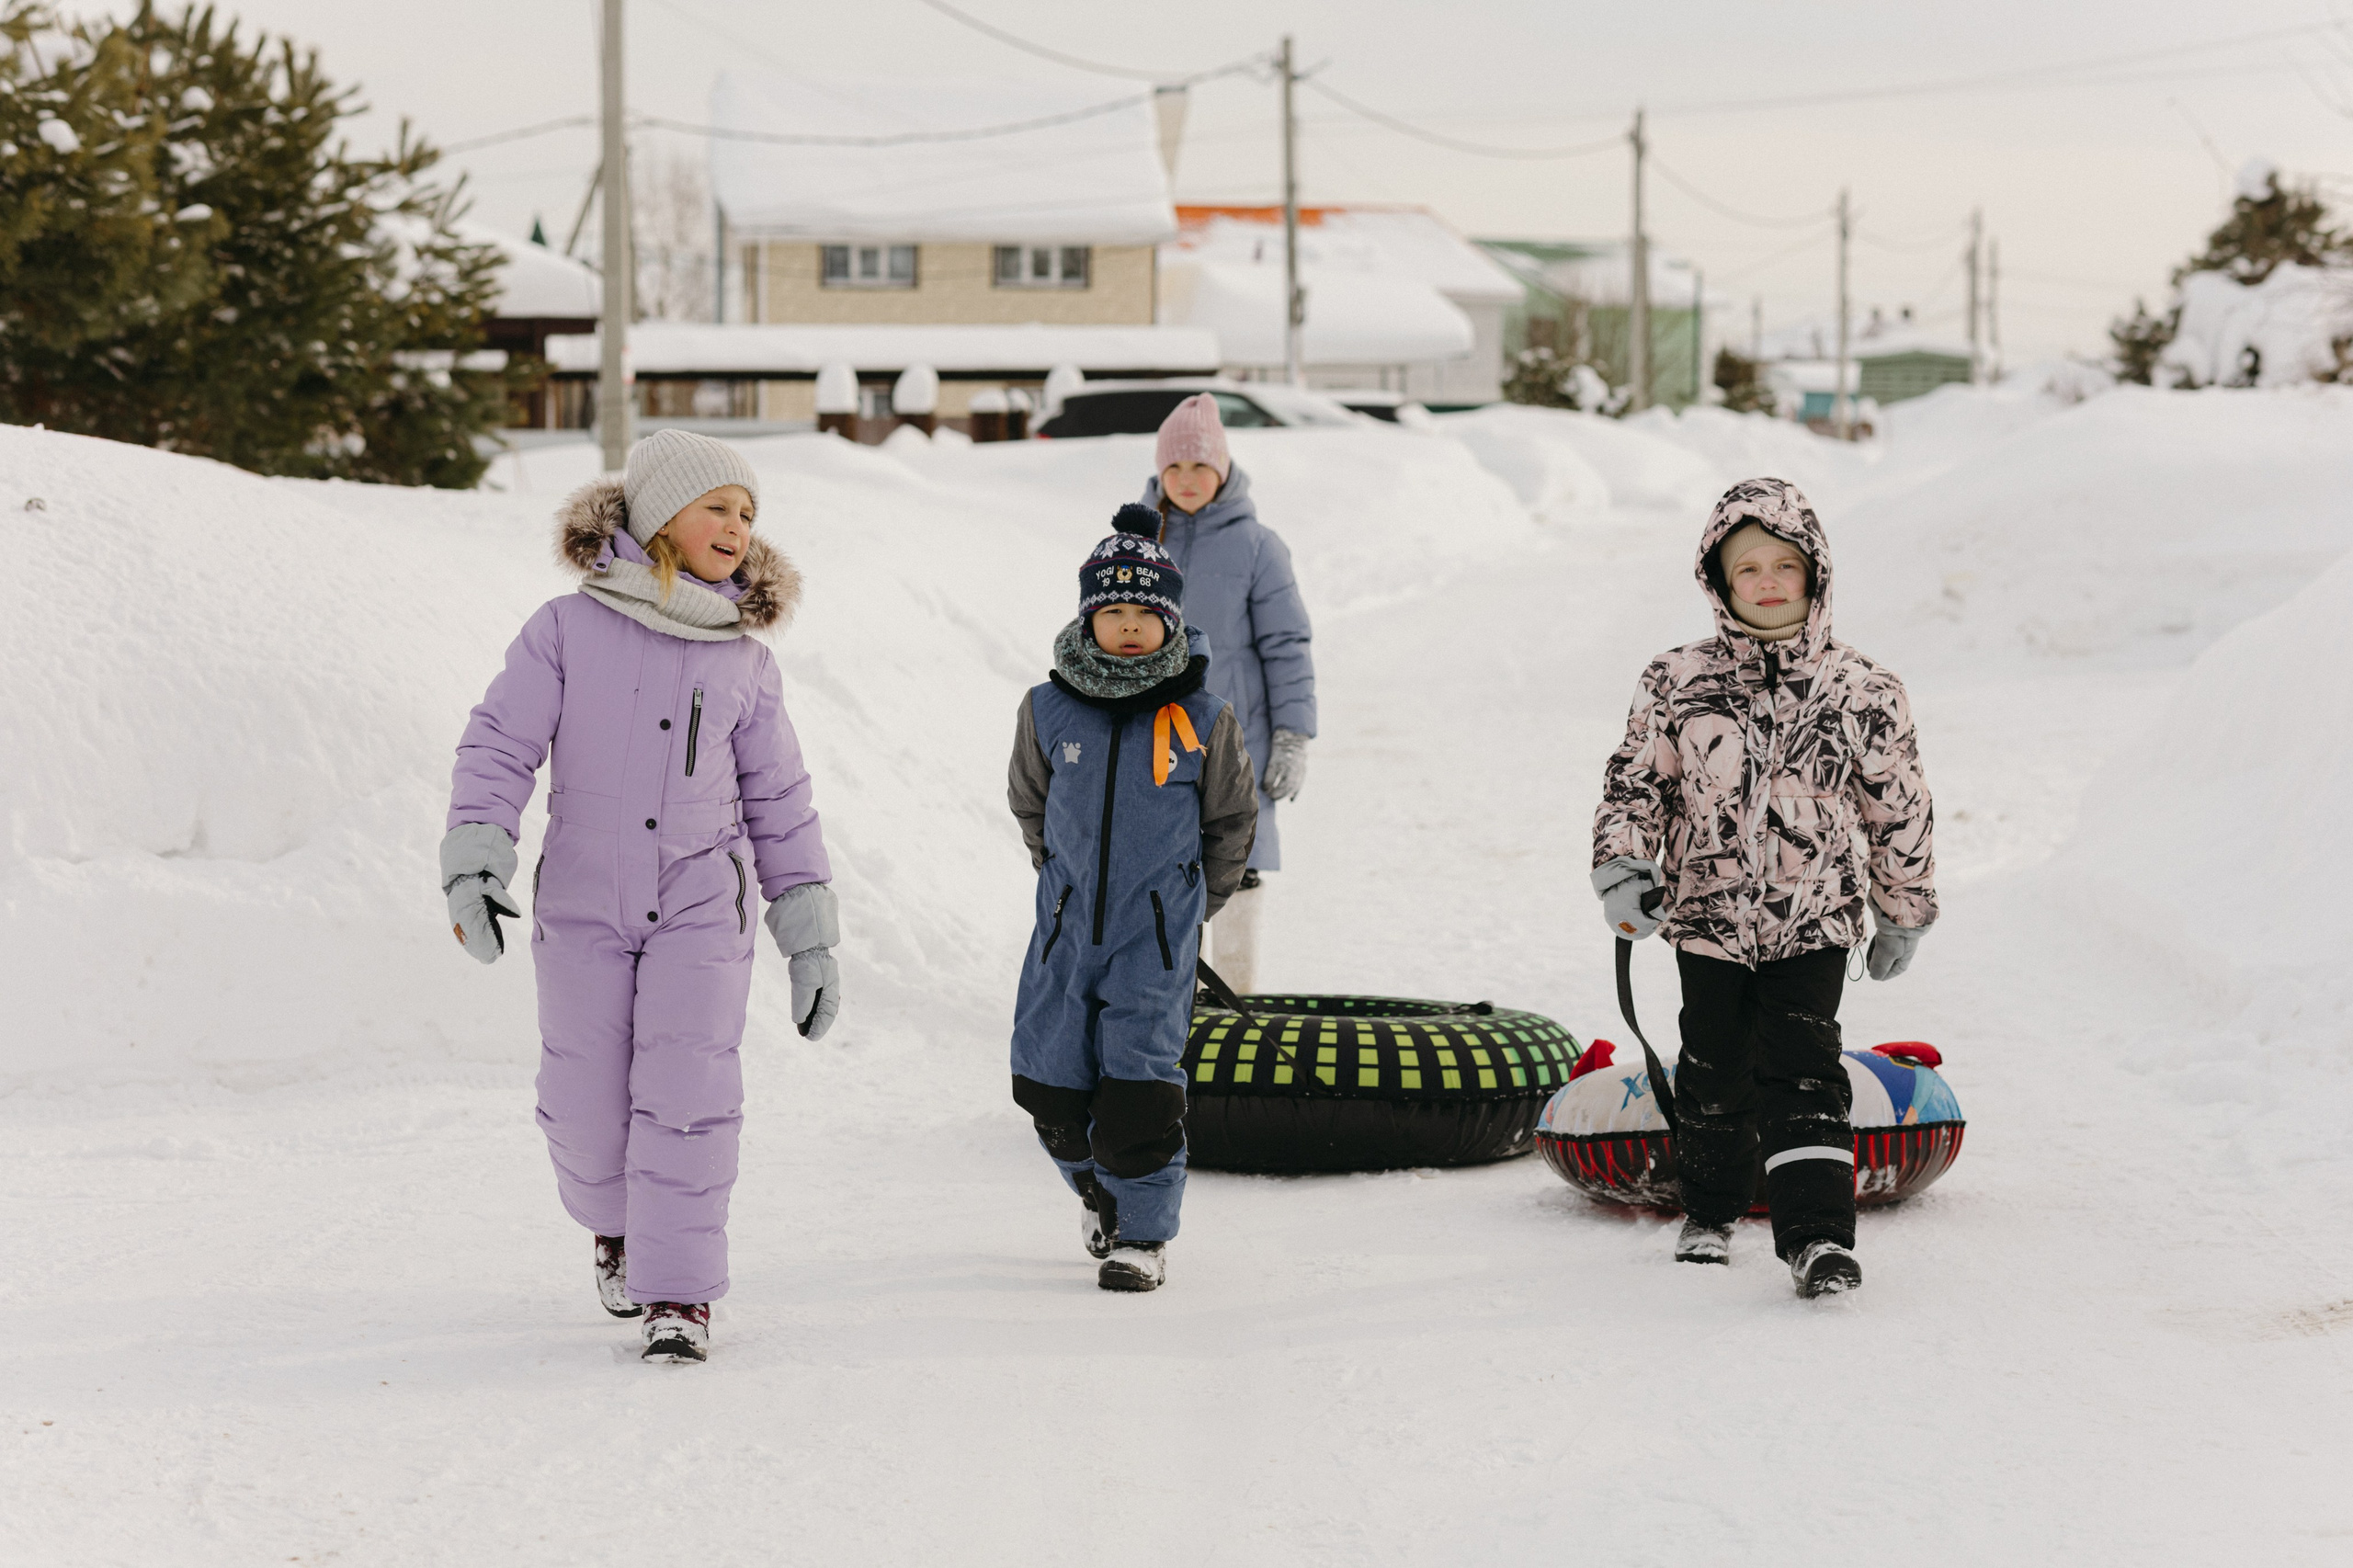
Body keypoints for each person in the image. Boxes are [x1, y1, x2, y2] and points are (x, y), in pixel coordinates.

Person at [441, 429, 840, 1363]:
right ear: (661, 513)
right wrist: (475, 856)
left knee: (689, 1091)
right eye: (719, 507)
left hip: (703, 899)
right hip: (583, 896)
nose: (738, 527)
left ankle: (678, 1291)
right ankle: (617, 1226)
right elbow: (499, 743)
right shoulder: (564, 629)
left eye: (748, 514)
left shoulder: (744, 660)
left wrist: (809, 931)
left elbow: (779, 799)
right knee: (581, 1100)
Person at [1590, 477, 1936, 1300]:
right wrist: (1623, 867)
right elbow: (1637, 783)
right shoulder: (1676, 679)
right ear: (1719, 580)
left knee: (1805, 1070)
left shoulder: (1863, 690)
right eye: (1749, 569)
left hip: (1813, 920)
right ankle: (1709, 1209)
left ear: (1815, 574)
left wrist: (1902, 909)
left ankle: (1816, 1237)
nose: (1770, 582)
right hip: (1705, 914)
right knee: (1712, 1063)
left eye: (1786, 564)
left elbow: (1900, 805)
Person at [1006, 518, 1259, 1292]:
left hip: (1154, 941)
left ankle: (1142, 1238)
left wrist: (1186, 909)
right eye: (1112, 614)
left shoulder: (1203, 719)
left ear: (1169, 623)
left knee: (1139, 1090)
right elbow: (1030, 805)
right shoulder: (1048, 709)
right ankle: (1095, 1190)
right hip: (1064, 932)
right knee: (1046, 1083)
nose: (1127, 627)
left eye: (1144, 615)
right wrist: (1061, 892)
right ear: (1089, 619)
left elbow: (1231, 824)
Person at [1141, 394, 1314, 994]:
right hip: (1153, 741)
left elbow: (1287, 645)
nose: (1187, 481)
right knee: (1162, 872)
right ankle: (1169, 999)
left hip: (1236, 743)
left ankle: (1237, 997)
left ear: (1224, 469)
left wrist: (1293, 735)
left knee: (1236, 868)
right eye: (1175, 468)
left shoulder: (1258, 546)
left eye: (1200, 467)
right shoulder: (1138, 542)